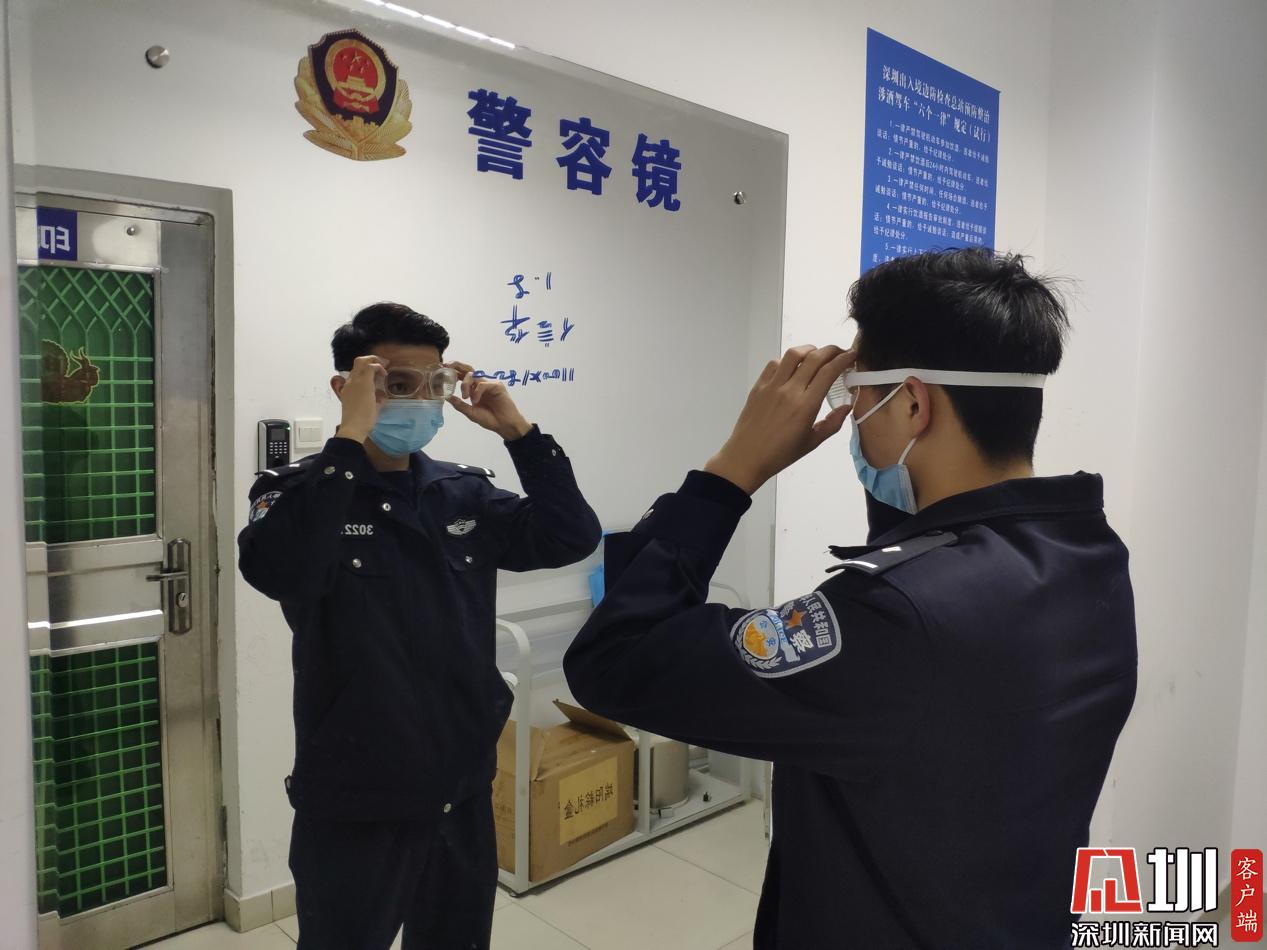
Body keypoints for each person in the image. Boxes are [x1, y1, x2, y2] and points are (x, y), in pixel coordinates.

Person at [563, 248, 1137, 948]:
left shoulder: (895, 617)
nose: (850, 412)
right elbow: (928, 549)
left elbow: (615, 661)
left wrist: (730, 472)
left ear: (914, 403)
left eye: (854, 392)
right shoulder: (1086, 554)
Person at [238, 302, 601, 950]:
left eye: (434, 383)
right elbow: (281, 572)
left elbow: (570, 535)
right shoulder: (300, 494)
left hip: (460, 784)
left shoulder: (461, 492)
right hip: (356, 795)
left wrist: (519, 434)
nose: (420, 400)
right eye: (396, 383)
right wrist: (348, 440)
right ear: (348, 387)